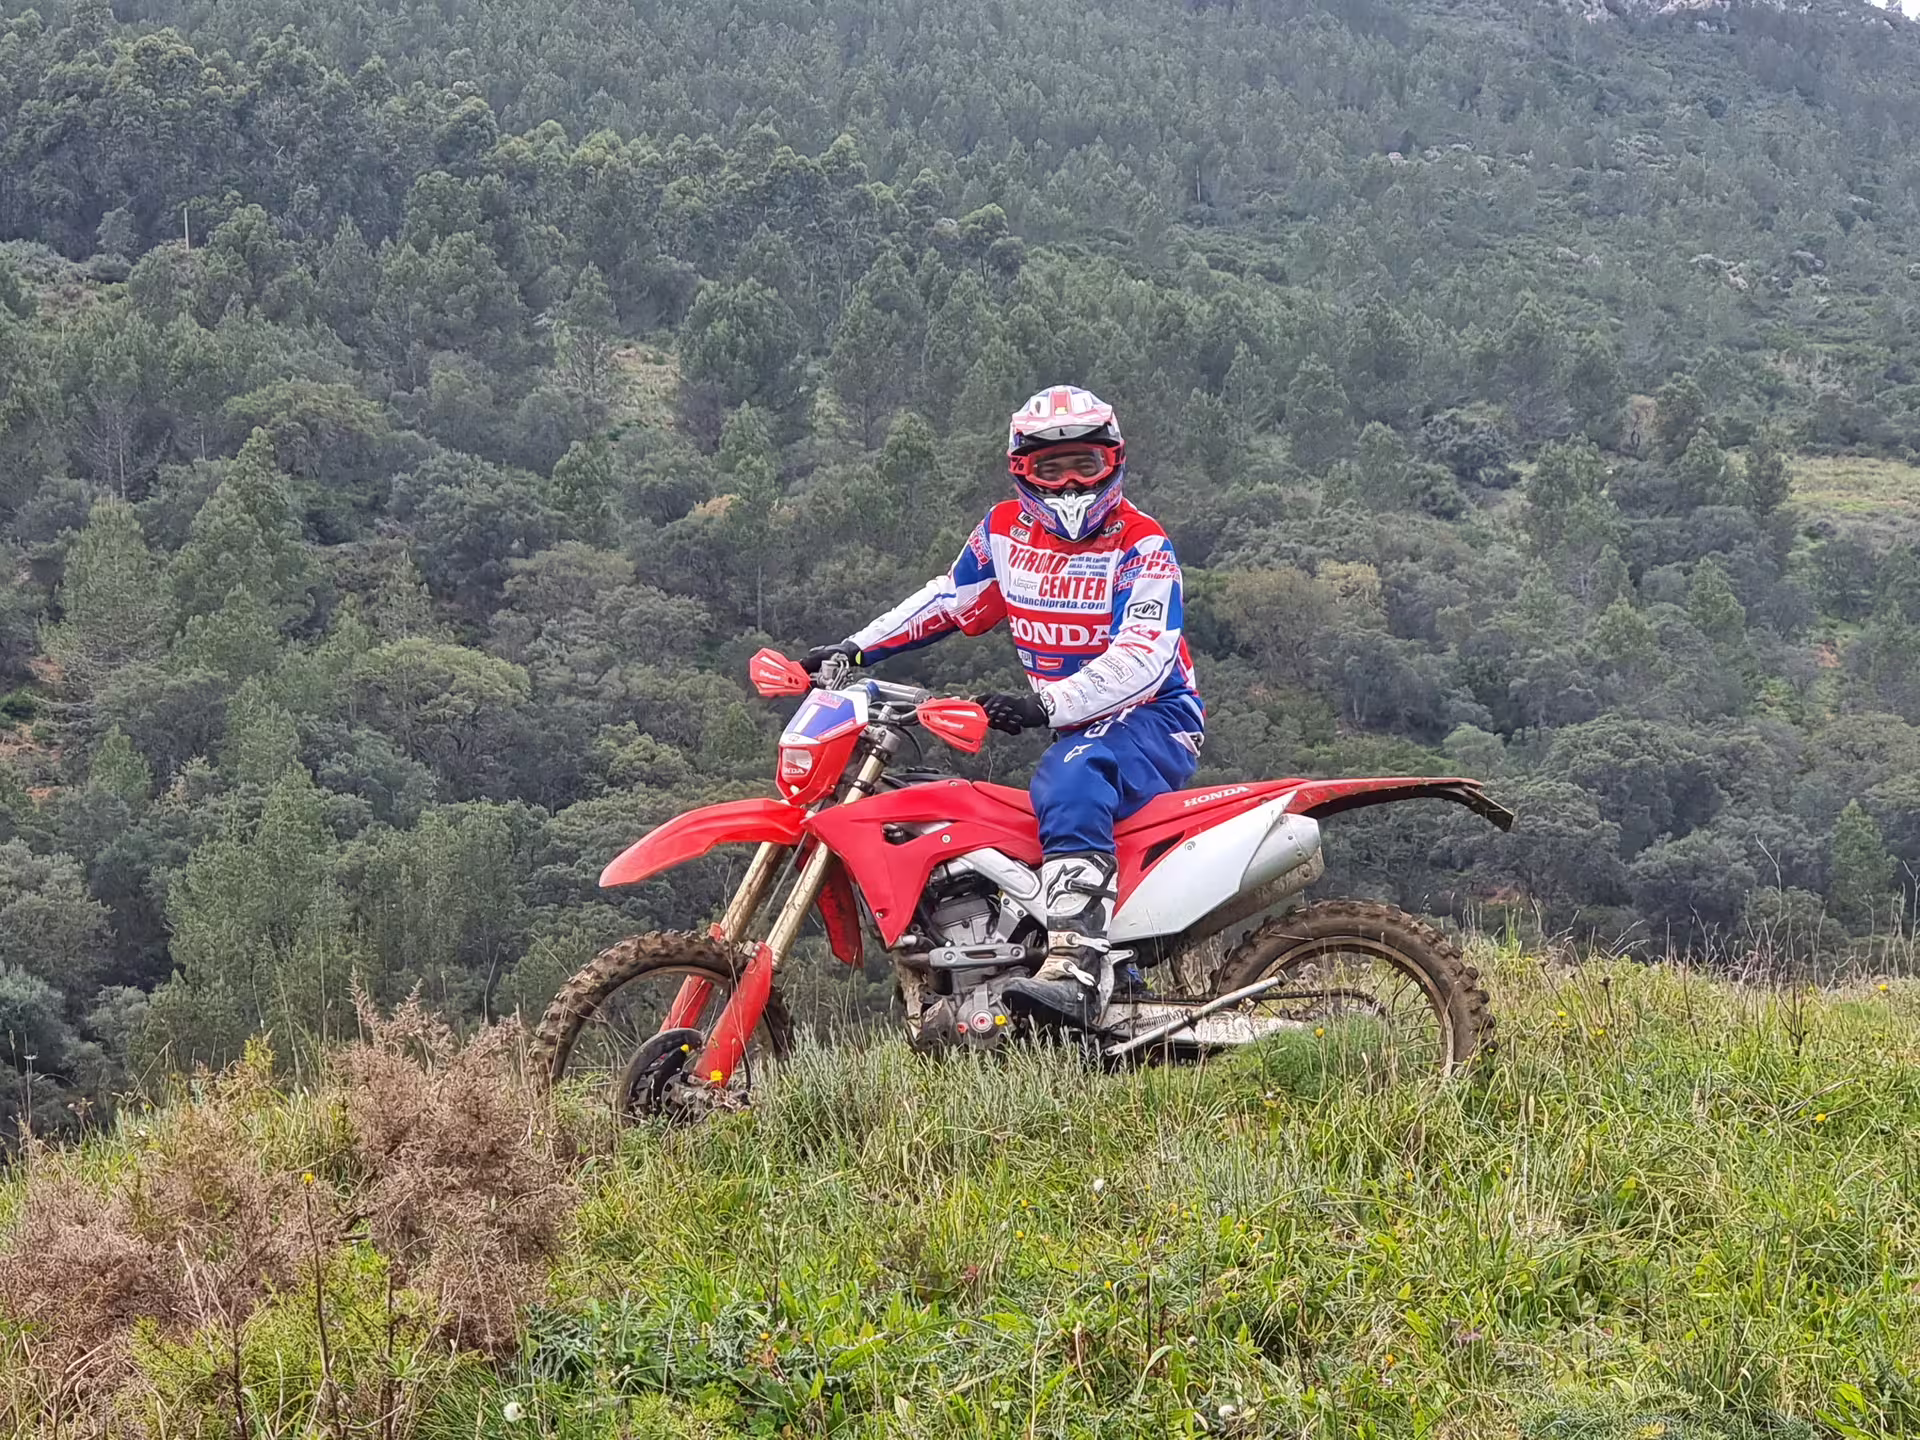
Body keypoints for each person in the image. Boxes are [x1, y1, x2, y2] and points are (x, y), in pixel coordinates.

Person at [803, 385, 1204, 1030]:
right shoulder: (1003, 532)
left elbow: (1142, 657)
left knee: (1068, 779)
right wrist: (855, 650)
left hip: (1156, 716)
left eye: (1085, 465)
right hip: (1077, 723)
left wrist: (1042, 704)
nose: (1070, 482)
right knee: (982, 817)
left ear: (1113, 462)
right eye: (1052, 468)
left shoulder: (1143, 545)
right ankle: (1091, 970)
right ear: (1024, 472)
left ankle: (1078, 971)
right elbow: (948, 601)